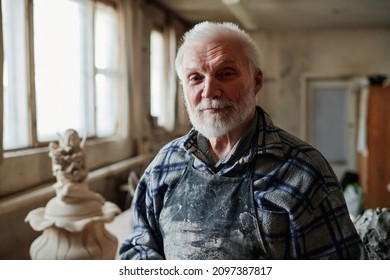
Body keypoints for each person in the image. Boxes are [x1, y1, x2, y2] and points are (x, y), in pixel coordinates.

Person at [119, 21, 367, 259]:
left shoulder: (302, 171)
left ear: (256, 81)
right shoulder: (165, 164)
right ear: (184, 87)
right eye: (195, 78)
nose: (209, 91)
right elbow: (139, 246)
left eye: (225, 74)